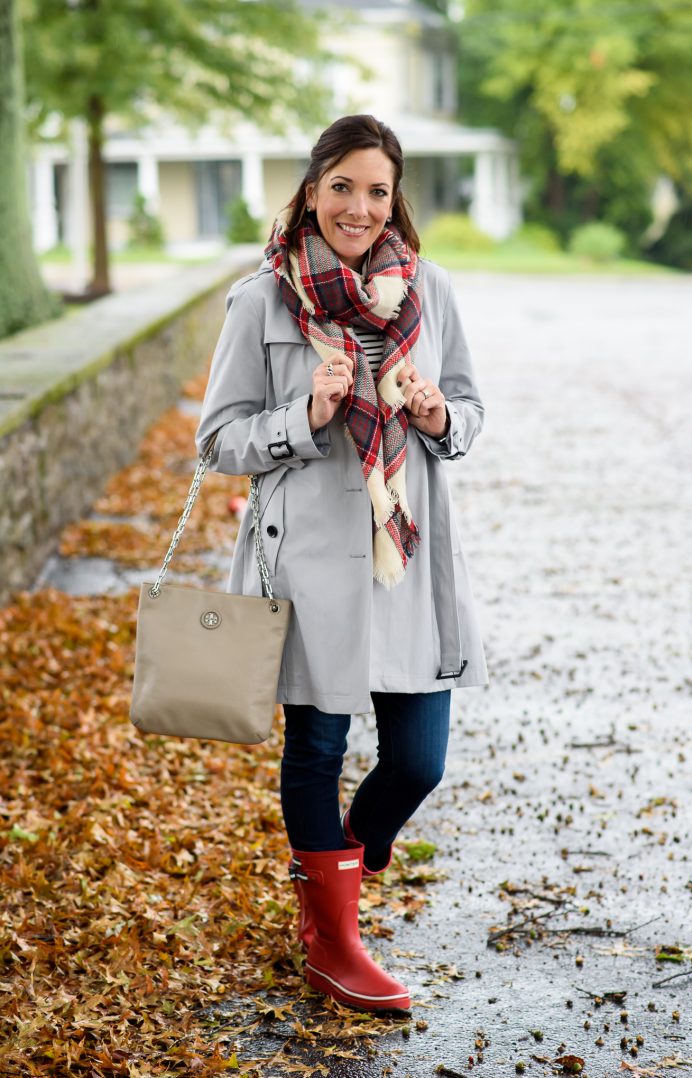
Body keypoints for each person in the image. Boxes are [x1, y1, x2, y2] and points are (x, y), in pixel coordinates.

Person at [195, 114, 488, 1014]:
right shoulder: (263, 299)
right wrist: (304, 418)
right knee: (318, 746)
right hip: (310, 562)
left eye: (378, 190)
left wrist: (439, 419)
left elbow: (472, 411)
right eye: (343, 187)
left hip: (400, 556)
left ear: (394, 198)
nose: (360, 208)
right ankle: (333, 941)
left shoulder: (428, 290)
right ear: (312, 188)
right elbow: (218, 441)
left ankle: (342, 869)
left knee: (417, 761)